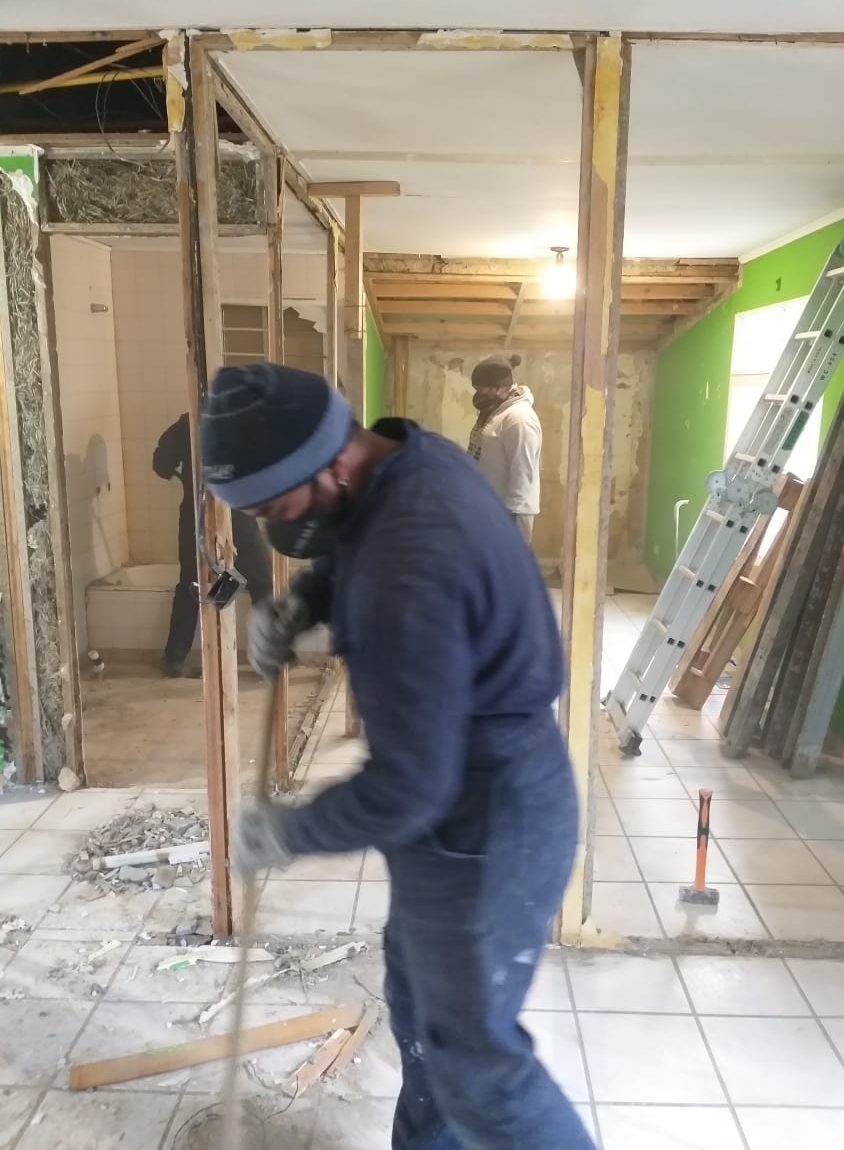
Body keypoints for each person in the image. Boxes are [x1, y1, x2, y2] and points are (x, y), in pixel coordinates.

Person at [199, 362, 593, 1150]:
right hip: (473, 788)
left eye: (273, 507)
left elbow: (410, 788)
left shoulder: (406, 569)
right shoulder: (408, 460)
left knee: (477, 1068)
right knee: (420, 1011)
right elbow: (350, 537)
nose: (271, 527)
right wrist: (306, 600)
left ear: (329, 465)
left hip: (488, 817)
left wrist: (289, 831)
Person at [152, 411, 272, 678]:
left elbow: (160, 464)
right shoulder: (242, 420)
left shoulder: (186, 423)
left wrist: (182, 473)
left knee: (192, 583)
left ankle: (175, 658)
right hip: (236, 514)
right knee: (261, 584)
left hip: (195, 516)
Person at [467, 353, 542, 544]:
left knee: (508, 562)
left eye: (482, 390)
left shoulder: (519, 419)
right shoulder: (496, 413)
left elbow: (523, 472)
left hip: (509, 513)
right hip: (492, 508)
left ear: (500, 388)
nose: (479, 396)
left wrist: (508, 520)